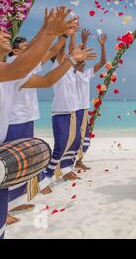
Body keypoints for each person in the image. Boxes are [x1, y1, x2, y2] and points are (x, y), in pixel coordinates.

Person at [0, 7, 77, 239]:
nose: (6, 33)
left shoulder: (4, 73)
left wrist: (70, 59)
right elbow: (20, 66)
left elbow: (47, 80)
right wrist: (48, 32)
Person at [5, 23, 94, 224]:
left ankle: (16, 201)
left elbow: (51, 51)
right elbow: (51, 64)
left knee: (24, 161)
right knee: (13, 163)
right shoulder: (13, 65)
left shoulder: (26, 64)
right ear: (14, 50)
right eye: (25, 46)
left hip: (26, 117)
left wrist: (64, 34)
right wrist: (63, 37)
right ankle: (4, 208)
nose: (30, 48)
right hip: (13, 120)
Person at [39, 27, 97, 193]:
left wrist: (77, 41)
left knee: (75, 143)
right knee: (60, 147)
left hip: (71, 112)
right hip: (61, 112)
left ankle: (66, 170)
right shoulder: (58, 66)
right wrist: (68, 34)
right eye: (66, 56)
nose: (71, 56)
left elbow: (74, 53)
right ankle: (44, 179)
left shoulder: (71, 71)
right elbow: (65, 50)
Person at [74, 28, 108, 171]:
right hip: (73, 109)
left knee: (84, 137)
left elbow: (103, 62)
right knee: (73, 138)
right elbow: (80, 55)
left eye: (84, 61)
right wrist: (84, 42)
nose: (83, 62)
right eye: (80, 61)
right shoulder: (71, 73)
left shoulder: (87, 74)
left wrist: (102, 45)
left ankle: (79, 160)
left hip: (84, 109)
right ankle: (69, 163)